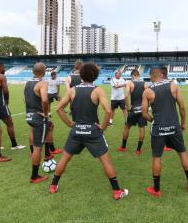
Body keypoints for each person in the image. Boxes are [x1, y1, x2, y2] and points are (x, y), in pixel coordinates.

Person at [49, 62, 129, 200]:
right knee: (106, 161)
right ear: (96, 76)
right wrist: (103, 127)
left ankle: (53, 186)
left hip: (76, 131)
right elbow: (109, 111)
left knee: (65, 158)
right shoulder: (98, 90)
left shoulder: (72, 90)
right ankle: (117, 191)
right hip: (93, 132)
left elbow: (58, 108)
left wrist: (69, 123)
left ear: (81, 75)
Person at [142, 68, 188, 196]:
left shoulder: (147, 91)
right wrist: (183, 123)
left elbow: (144, 113)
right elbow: (182, 106)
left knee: (157, 157)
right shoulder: (173, 85)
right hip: (174, 126)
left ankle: (156, 190)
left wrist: (153, 120)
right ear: (162, 75)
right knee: (182, 153)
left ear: (151, 77)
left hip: (158, 128)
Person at [24, 62, 53, 183]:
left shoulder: (27, 83)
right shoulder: (43, 83)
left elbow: (24, 99)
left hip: (29, 116)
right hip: (38, 118)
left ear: (33, 71)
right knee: (38, 148)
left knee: (35, 132)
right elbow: (45, 100)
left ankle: (34, 154)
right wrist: (45, 114)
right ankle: (34, 176)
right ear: (44, 71)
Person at [0, 63, 25, 150]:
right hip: (0, 104)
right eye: (4, 67)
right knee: (9, 124)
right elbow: (5, 90)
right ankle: (14, 145)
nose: (5, 69)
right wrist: (6, 100)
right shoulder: (1, 76)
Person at [117, 69, 148, 154]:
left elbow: (126, 96)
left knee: (127, 127)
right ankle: (138, 150)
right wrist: (146, 107)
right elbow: (149, 95)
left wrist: (128, 107)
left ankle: (123, 147)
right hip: (142, 109)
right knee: (142, 129)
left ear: (133, 76)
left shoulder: (130, 83)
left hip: (133, 108)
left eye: (131, 76)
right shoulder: (145, 83)